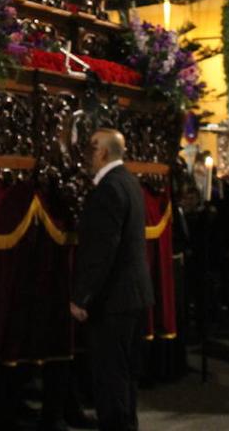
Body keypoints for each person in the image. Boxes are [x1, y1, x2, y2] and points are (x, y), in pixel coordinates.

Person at [70, 128, 155, 431]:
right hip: (134, 296)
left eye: (91, 150)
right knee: (126, 378)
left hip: (113, 301)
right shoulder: (130, 182)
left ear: (103, 152)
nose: (87, 157)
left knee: (110, 379)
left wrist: (82, 297)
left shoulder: (108, 189)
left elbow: (101, 250)